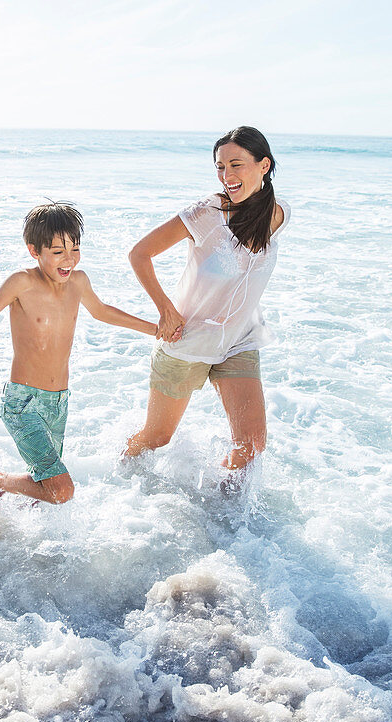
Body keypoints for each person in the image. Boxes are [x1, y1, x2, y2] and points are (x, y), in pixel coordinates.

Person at [0, 203, 156, 505]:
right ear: (34, 251)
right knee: (61, 490)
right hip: (23, 402)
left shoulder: (78, 282)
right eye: (57, 252)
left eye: (75, 249)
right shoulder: (21, 283)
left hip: (59, 401)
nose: (69, 260)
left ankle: (24, 542)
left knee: (45, 489)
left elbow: (103, 312)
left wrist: (155, 329)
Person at [123, 127, 290, 478]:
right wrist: (166, 310)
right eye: (220, 167)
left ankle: (230, 521)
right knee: (156, 438)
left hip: (238, 340)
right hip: (187, 340)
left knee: (251, 445)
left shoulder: (277, 216)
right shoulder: (206, 213)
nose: (227, 176)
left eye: (236, 165)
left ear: (264, 166)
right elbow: (140, 254)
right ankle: (120, 474)